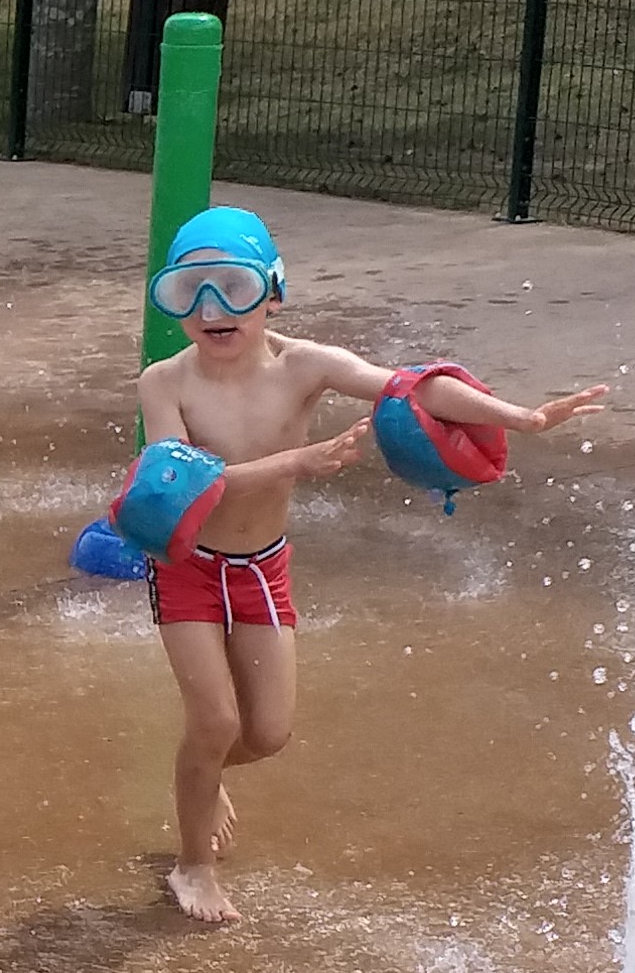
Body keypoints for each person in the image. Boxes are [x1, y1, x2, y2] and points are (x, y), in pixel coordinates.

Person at [134, 203, 609, 926]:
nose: (210, 309)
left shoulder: (307, 367)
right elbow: (186, 484)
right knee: (215, 719)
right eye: (186, 292)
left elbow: (411, 387)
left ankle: (203, 780)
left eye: (230, 285)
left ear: (273, 292)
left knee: (265, 735)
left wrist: (519, 417)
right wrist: (302, 460)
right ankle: (192, 863)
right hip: (189, 565)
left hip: (262, 567)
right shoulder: (164, 382)